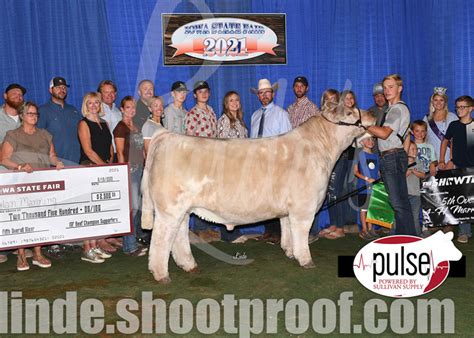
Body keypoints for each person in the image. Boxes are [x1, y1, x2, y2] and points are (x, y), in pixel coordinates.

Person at [1, 101, 64, 271]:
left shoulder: (44, 134)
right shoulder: (13, 135)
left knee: (40, 218)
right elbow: (4, 159)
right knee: (22, 218)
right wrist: (19, 167)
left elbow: (51, 155)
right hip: (20, 183)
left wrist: (57, 162)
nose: (34, 117)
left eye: (36, 114)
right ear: (22, 116)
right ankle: (21, 255)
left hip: (41, 183)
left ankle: (37, 252)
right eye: (30, 114)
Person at [367, 74, 416, 236]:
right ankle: (406, 237)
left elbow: (384, 133)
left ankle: (407, 239)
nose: (387, 91)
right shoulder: (395, 109)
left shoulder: (397, 109)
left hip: (392, 157)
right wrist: (406, 158)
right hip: (394, 156)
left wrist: (362, 123)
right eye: (385, 87)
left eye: (391, 87)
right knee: (400, 202)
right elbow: (407, 135)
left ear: (399, 88)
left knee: (398, 203)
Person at [250, 78, 292, 243]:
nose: (264, 96)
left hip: (276, 162)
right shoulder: (254, 115)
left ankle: (279, 233)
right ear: (258, 96)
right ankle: (267, 230)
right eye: (261, 93)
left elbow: (288, 141)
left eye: (267, 92)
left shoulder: (281, 114)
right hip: (258, 162)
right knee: (263, 197)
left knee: (276, 197)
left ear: (272, 94)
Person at [77, 92, 114, 263]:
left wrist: (111, 162)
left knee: (99, 209)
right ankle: (87, 248)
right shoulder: (83, 124)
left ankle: (95, 245)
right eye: (90, 103)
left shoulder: (104, 123)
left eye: (96, 102)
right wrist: (103, 166)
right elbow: (88, 151)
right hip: (90, 168)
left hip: (103, 168)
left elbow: (110, 146)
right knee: (89, 210)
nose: (93, 105)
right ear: (86, 105)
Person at [185, 81, 220, 242]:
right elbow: (190, 138)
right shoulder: (192, 114)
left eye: (206, 91)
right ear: (194, 95)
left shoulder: (211, 111)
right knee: (199, 193)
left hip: (213, 158)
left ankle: (209, 226)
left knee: (210, 194)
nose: (204, 94)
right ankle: (200, 228)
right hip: (199, 158)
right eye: (200, 92)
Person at [321, 90, 358, 239]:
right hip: (326, 157)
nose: (331, 102)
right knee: (330, 192)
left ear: (338, 101)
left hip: (340, 156)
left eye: (334, 99)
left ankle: (340, 227)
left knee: (336, 191)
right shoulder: (323, 116)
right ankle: (334, 224)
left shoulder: (340, 117)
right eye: (328, 99)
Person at [114, 96, 147, 256]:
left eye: (133, 107)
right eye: (128, 107)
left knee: (137, 207)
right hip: (130, 170)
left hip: (139, 168)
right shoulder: (120, 128)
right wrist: (123, 171)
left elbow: (141, 149)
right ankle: (129, 246)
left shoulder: (136, 126)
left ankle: (133, 242)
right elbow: (120, 152)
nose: (131, 110)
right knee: (132, 208)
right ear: (122, 109)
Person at [439, 95, 474, 243]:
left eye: (462, 107)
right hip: (459, 168)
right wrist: (443, 160)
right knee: (462, 200)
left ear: (471, 108)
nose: (459, 110)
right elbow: (445, 141)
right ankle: (464, 232)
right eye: (457, 107)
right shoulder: (454, 125)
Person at [38, 77, 82, 165]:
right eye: (58, 87)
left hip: (76, 162)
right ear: (50, 90)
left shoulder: (73, 110)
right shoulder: (42, 110)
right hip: (55, 164)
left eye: (64, 87)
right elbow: (38, 137)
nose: (62, 90)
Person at [353, 134, 380, 240]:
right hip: (363, 187)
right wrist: (366, 179)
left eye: (372, 139)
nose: (370, 141)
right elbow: (355, 172)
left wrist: (378, 180)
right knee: (364, 209)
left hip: (374, 187)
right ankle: (364, 229)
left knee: (371, 208)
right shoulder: (359, 154)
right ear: (361, 142)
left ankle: (370, 228)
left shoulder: (376, 156)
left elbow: (377, 172)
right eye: (367, 139)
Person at [422, 87, 458, 163]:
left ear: (445, 102)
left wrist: (452, 160)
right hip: (431, 158)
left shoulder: (452, 117)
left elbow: (456, 140)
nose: (438, 103)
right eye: (436, 100)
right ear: (432, 102)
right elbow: (423, 139)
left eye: (441, 100)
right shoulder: (426, 118)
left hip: (448, 157)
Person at [98, 80, 122, 157]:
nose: (110, 95)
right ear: (100, 94)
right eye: (106, 92)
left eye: (112, 92)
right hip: (103, 153)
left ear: (115, 94)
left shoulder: (119, 111)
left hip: (119, 152)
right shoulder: (96, 111)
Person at [406, 141, 425, 236]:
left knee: (415, 217)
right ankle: (394, 235)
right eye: (412, 149)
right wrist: (409, 171)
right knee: (400, 216)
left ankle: (417, 235)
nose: (415, 151)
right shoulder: (402, 162)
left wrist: (413, 171)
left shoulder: (418, 162)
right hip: (403, 195)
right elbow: (400, 176)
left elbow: (423, 175)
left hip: (416, 194)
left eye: (416, 149)